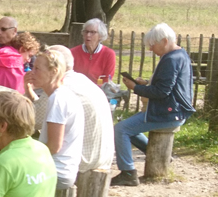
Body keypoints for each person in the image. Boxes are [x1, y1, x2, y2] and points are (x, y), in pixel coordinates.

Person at [112, 23, 195, 187]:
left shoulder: (171, 60)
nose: (150, 49)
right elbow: (168, 86)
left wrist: (136, 88)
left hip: (168, 113)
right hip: (173, 110)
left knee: (121, 129)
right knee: (127, 127)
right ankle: (154, 153)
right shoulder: (179, 55)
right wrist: (147, 84)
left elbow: (162, 92)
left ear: (164, 41)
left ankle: (128, 172)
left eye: (152, 45)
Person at [50, 46, 115, 176]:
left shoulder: (59, 88)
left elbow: (32, 120)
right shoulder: (81, 79)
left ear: (54, 68)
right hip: (104, 155)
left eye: (39, 67)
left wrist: (28, 92)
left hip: (84, 160)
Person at [25, 48, 84, 189]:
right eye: (33, 67)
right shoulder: (59, 95)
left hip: (57, 171)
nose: (32, 72)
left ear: (53, 72)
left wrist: (28, 157)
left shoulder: (58, 100)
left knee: (2, 171)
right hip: (56, 168)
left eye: (37, 68)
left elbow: (54, 146)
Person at [71, 18, 117, 88]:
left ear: (100, 36)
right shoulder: (72, 53)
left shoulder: (109, 54)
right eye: (85, 31)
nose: (88, 35)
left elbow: (107, 81)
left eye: (92, 32)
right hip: (76, 90)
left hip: (99, 92)